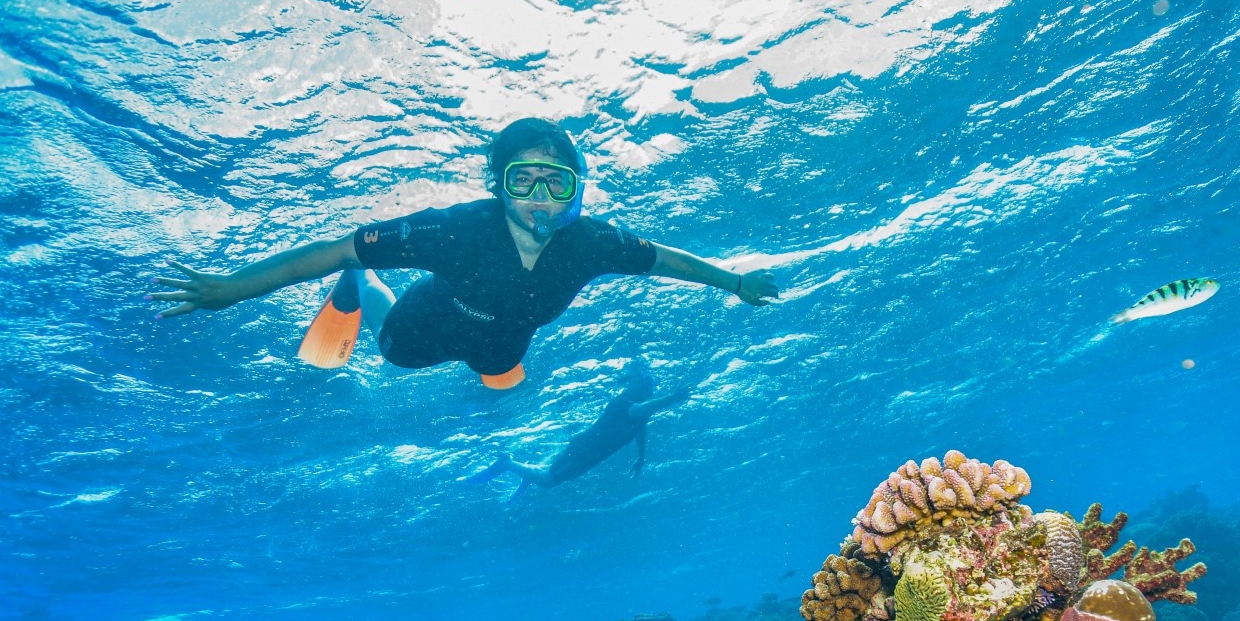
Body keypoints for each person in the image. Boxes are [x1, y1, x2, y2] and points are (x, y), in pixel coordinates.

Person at [152, 118, 780, 388]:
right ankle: (363, 288)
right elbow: (332, 246)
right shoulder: (455, 230)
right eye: (522, 182)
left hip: (506, 341)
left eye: (556, 183)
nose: (540, 200)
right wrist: (232, 289)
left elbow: (666, 261)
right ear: (496, 187)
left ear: (577, 190)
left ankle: (485, 374)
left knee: (503, 386)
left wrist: (734, 282)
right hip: (424, 326)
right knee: (389, 353)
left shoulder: (594, 244)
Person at [472, 358, 691, 498]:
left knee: (549, 474)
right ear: (633, 383)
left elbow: (641, 427)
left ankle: (527, 472)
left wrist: (641, 457)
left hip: (588, 450)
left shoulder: (638, 412)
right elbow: (640, 411)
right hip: (585, 449)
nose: (650, 386)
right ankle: (508, 463)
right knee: (548, 481)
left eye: (651, 383)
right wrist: (673, 398)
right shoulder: (624, 402)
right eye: (645, 381)